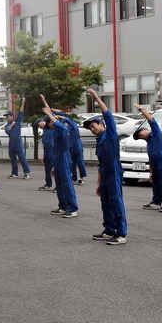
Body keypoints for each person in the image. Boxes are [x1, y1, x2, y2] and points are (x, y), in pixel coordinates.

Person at [84, 89, 128, 245]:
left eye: (93, 125)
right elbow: (100, 165)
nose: (92, 129)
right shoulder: (99, 140)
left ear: (101, 124)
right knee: (106, 202)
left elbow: (108, 114)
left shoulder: (110, 133)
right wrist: (98, 183)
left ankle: (121, 234)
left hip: (114, 169)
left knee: (116, 201)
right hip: (105, 172)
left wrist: (95, 97)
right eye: (89, 128)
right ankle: (109, 229)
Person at [40, 95, 79, 218]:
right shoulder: (56, 130)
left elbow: (56, 120)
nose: (48, 126)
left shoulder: (63, 128)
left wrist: (50, 114)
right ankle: (63, 206)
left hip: (64, 158)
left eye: (49, 123)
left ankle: (72, 208)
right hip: (58, 158)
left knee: (66, 183)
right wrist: (44, 101)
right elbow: (52, 115)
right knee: (60, 183)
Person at [132, 104, 162, 213]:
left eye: (140, 134)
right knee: (155, 182)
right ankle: (156, 202)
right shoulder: (148, 143)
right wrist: (150, 173)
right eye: (139, 137)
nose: (141, 136)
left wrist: (142, 109)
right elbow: (150, 160)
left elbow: (151, 119)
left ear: (145, 129)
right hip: (155, 162)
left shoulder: (155, 133)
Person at [52, 108, 87, 185]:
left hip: (77, 146)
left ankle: (81, 177)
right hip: (70, 147)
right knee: (72, 163)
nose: (65, 124)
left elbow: (63, 114)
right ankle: (74, 177)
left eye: (66, 122)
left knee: (80, 162)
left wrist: (60, 116)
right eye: (64, 123)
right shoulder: (65, 129)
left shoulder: (73, 126)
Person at [4, 98, 31, 179]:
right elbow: (8, 131)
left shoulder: (17, 120)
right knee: (12, 158)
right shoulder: (7, 125)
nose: (7, 118)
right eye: (6, 117)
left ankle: (26, 172)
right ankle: (14, 173)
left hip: (18, 142)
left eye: (8, 116)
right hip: (11, 143)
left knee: (22, 157)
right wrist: (12, 125)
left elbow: (21, 113)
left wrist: (23, 103)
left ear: (12, 116)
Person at [36, 117, 54, 191]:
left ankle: (59, 186)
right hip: (47, 152)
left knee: (55, 170)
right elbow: (45, 145)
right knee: (47, 169)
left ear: (42, 121)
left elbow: (50, 114)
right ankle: (48, 184)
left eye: (38, 124)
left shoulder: (51, 128)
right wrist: (43, 155)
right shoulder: (45, 131)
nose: (38, 126)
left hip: (53, 152)